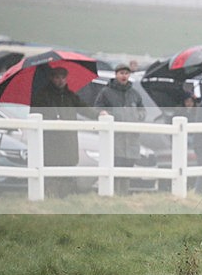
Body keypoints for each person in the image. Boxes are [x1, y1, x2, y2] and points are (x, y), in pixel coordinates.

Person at [30, 66, 99, 197]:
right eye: (57, 77)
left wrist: (99, 114)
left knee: (68, 172)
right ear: (51, 78)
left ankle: (64, 198)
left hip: (68, 142)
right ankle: (50, 197)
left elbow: (84, 108)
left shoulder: (70, 96)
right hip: (51, 142)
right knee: (52, 172)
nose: (60, 80)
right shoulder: (42, 96)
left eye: (63, 77)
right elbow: (34, 114)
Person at [94, 63, 146, 195]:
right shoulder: (106, 92)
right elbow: (97, 108)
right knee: (115, 167)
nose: (124, 76)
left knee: (127, 168)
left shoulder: (134, 94)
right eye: (121, 73)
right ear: (116, 74)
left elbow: (142, 110)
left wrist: (137, 116)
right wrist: (105, 115)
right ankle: (113, 194)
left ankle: (124, 195)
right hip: (115, 139)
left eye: (126, 73)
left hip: (132, 139)